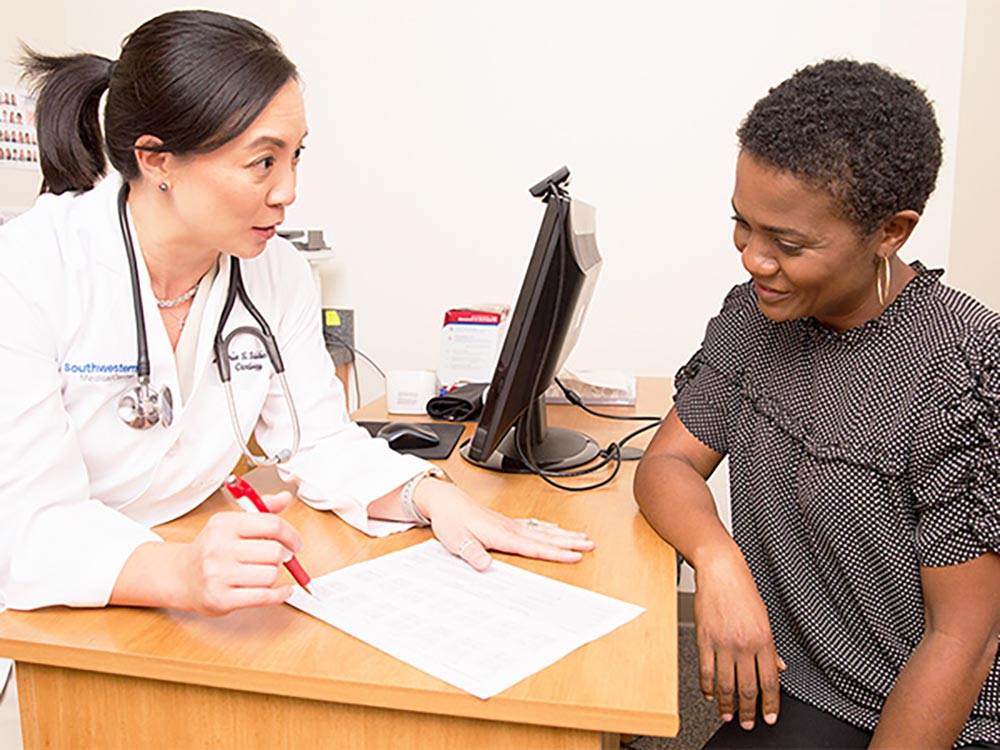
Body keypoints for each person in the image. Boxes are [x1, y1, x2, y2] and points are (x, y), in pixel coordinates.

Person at [0, 10, 593, 615]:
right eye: (263, 162)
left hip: (190, 557)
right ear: (156, 161)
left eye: (295, 157)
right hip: (51, 610)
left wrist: (430, 496)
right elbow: (26, 525)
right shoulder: (28, 271)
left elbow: (319, 441)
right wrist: (175, 571)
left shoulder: (273, 269)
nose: (288, 191)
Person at [634, 60, 1000, 749]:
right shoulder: (757, 316)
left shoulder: (965, 364)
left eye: (789, 244)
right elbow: (666, 465)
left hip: (919, 708)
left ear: (891, 232)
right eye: (743, 225)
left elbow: (962, 640)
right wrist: (718, 562)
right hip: (803, 686)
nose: (754, 259)